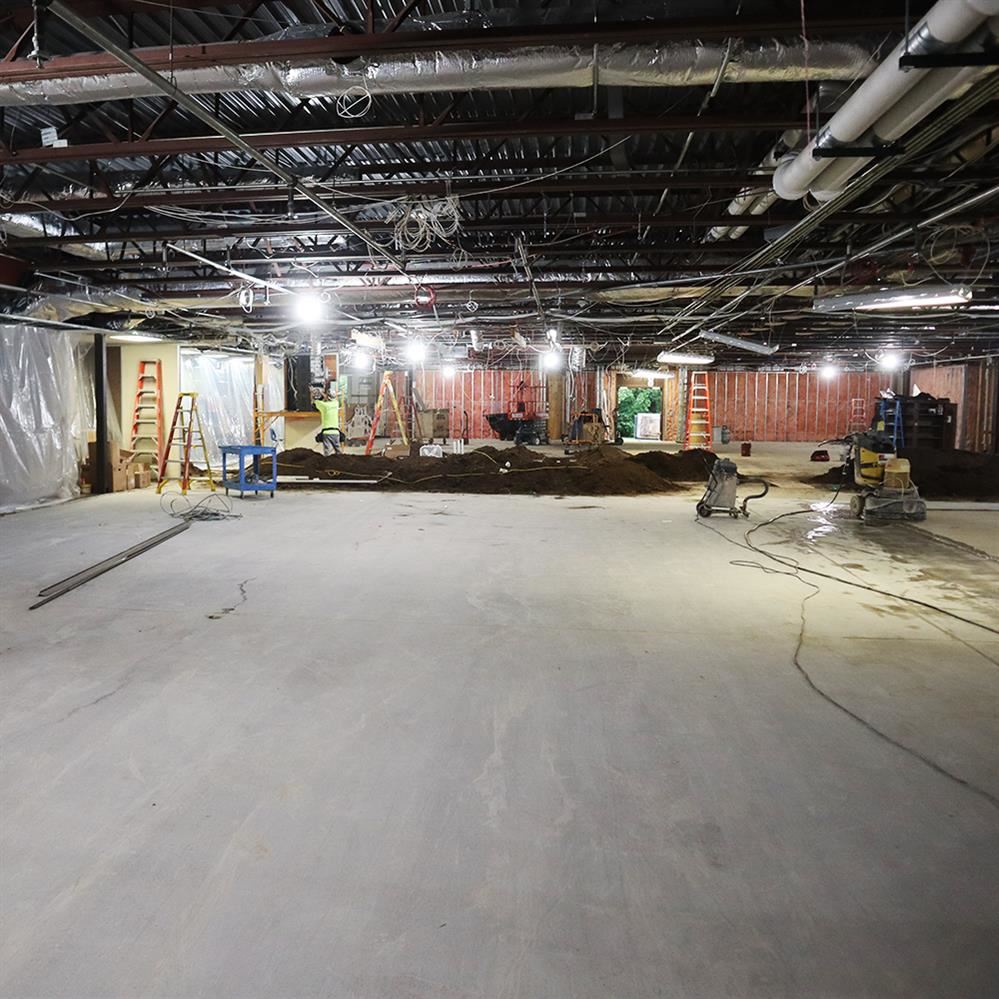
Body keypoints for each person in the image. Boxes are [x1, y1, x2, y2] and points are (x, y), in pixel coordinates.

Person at [314, 388, 341, 456]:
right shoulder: (336, 404)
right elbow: (329, 399)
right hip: (336, 432)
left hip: (327, 433)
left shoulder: (324, 405)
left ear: (327, 397)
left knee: (327, 453)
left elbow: (315, 401)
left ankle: (326, 466)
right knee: (338, 452)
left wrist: (319, 392)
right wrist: (324, 395)